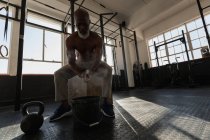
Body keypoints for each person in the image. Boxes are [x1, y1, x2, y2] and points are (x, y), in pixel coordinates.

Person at [50, 8, 114, 122]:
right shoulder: (71, 40)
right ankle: (65, 106)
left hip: (94, 62)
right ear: (75, 24)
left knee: (108, 70)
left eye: (84, 24)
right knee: (58, 74)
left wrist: (92, 70)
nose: (82, 27)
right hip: (79, 63)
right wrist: (80, 72)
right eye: (79, 24)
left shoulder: (97, 38)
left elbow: (99, 58)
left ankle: (106, 103)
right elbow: (71, 61)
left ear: (89, 22)